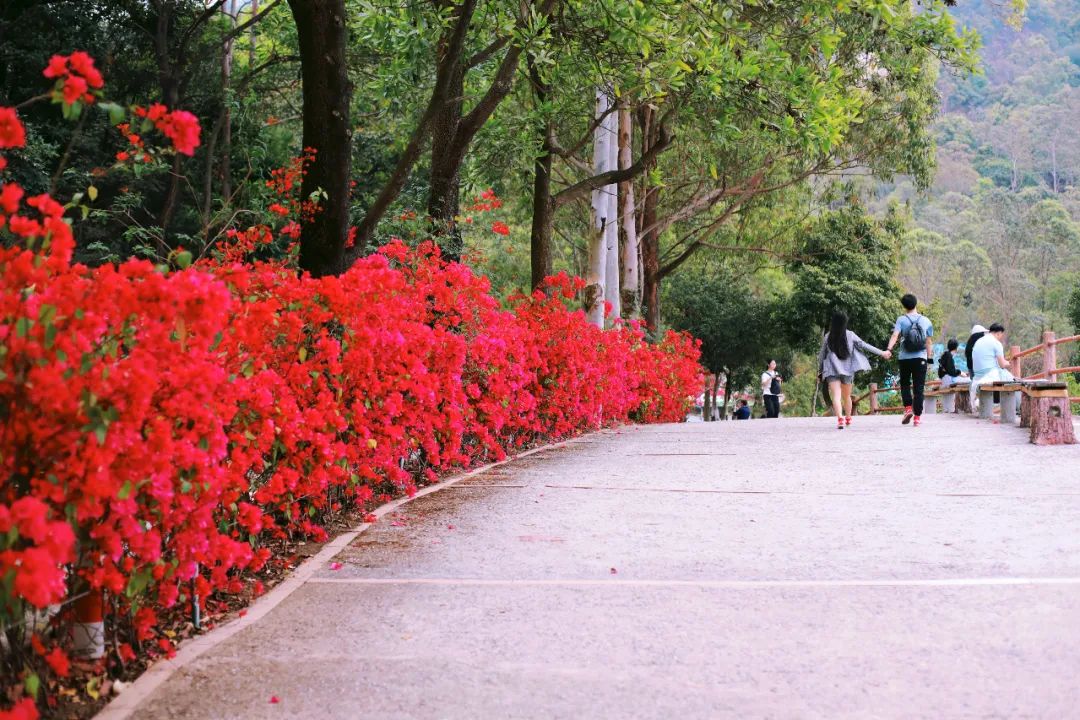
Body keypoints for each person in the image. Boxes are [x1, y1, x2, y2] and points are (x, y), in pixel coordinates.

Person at [818, 310, 892, 430]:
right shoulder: (850, 335)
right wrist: (882, 353)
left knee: (836, 396)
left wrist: (820, 370)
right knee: (846, 397)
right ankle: (848, 418)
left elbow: (822, 355)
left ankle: (840, 419)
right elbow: (865, 345)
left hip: (831, 371)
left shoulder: (828, 336)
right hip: (847, 371)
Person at [885, 293, 933, 427]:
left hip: (904, 358)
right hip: (921, 358)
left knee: (905, 384)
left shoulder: (901, 319)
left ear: (904, 306)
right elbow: (929, 342)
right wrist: (929, 359)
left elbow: (895, 335)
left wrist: (889, 349)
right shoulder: (926, 320)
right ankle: (917, 418)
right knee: (919, 388)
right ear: (916, 303)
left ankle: (908, 409)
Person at [971, 323, 1012, 392]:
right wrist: (1010, 363)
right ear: (999, 333)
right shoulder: (996, 343)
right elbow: (1002, 365)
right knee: (1011, 380)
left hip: (977, 377)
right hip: (989, 376)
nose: (1001, 337)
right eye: (1002, 335)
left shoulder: (978, 341)